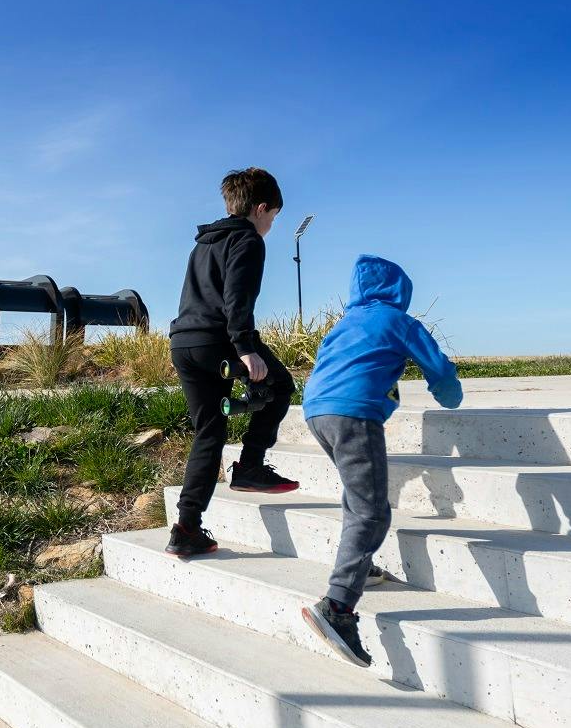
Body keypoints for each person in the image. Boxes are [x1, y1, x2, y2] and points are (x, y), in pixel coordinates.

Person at [297, 254, 462, 666]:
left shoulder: (343, 324)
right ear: (399, 291)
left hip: (317, 412)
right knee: (372, 512)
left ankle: (362, 565)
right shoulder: (398, 321)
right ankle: (338, 607)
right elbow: (439, 371)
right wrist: (451, 398)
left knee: (357, 497)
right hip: (354, 415)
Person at [165, 167, 300, 557]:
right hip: (218, 339)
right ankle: (249, 467)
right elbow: (236, 299)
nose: (271, 225)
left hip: (183, 342)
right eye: (272, 217)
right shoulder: (248, 240)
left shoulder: (203, 243)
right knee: (279, 386)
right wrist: (244, 347)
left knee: (209, 432)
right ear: (260, 209)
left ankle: (186, 528)